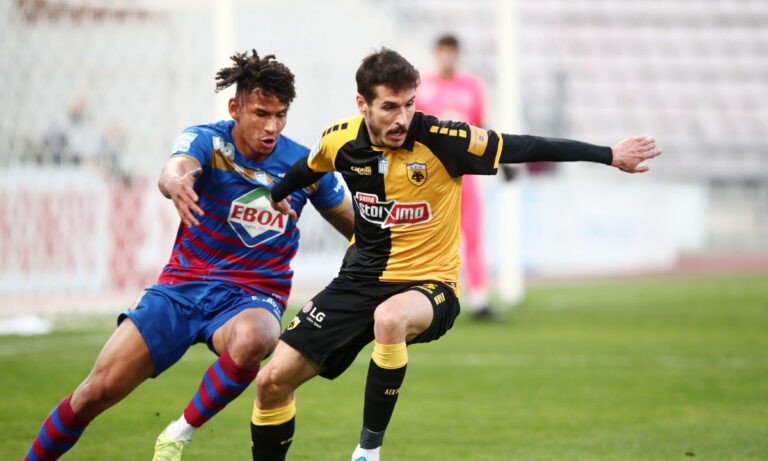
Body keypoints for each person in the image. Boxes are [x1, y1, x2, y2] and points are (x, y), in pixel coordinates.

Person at [250, 48, 661, 461]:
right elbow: (309, 167)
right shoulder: (339, 139)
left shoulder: (444, 140)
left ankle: (367, 451)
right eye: (389, 107)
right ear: (362, 104)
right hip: (358, 281)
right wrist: (278, 193)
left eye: (409, 104)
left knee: (390, 319)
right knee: (271, 383)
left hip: (430, 285)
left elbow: (526, 146)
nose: (402, 118)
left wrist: (608, 155)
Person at [23, 49, 354, 461]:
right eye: (260, 113)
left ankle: (179, 432)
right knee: (94, 393)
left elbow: (357, 229)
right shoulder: (208, 141)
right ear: (235, 108)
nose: (271, 126)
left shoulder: (305, 166)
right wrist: (174, 182)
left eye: (280, 115)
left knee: (258, 337)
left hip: (252, 294)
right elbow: (175, 169)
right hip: (183, 287)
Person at [416, 33, 495, 320]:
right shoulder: (422, 88)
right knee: (430, 236)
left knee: (473, 235)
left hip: (466, 174)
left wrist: (499, 158)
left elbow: (482, 129)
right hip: (433, 176)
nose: (447, 57)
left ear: (457, 54)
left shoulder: (473, 87)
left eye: (451, 52)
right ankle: (426, 298)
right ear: (436, 54)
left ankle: (479, 300)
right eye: (443, 52)